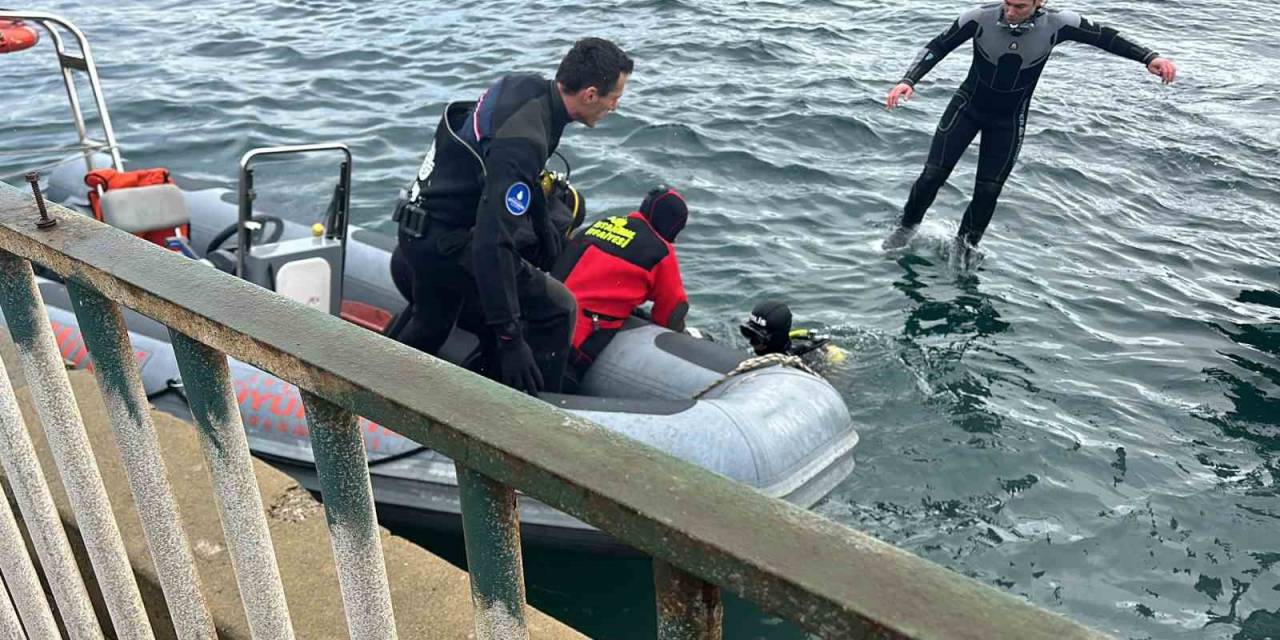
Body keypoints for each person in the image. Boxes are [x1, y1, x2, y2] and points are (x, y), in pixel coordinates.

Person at [391, 38, 633, 395]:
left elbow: (510, 173)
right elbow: (491, 245)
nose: (615, 106)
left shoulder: (526, 87)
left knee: (432, 323)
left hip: (418, 229)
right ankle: (532, 416)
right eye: (614, 97)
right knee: (558, 307)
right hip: (446, 244)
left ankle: (374, 391)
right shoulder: (524, 140)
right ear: (590, 94)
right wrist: (511, 339)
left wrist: (542, 224)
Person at [882, 0, 1177, 251]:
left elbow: (1105, 37)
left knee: (988, 190)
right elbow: (938, 45)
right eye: (1008, 3)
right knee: (932, 175)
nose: (1010, 11)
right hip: (966, 108)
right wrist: (908, 80)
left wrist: (1149, 57)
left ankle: (965, 249)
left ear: (1040, 2)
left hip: (1008, 120)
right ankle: (905, 230)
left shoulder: (1058, 24)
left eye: (1020, 6)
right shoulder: (980, 18)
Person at [551, 185, 690, 376]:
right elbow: (673, 310)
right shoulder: (661, 250)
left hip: (540, 316)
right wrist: (682, 334)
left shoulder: (601, 224)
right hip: (576, 340)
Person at [739, 300, 847, 370]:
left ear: (776, 339)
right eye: (747, 333)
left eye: (757, 339)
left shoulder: (804, 362)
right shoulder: (755, 352)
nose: (750, 342)